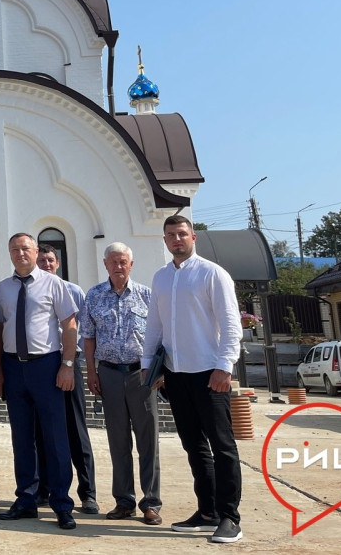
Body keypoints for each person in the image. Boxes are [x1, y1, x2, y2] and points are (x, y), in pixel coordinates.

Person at [143, 215, 243, 544]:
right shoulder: (160, 278)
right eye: (171, 235)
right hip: (175, 375)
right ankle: (206, 512)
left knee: (223, 447)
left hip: (209, 373)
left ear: (193, 237)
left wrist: (225, 365)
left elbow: (231, 323)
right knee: (194, 447)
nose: (177, 239)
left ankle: (230, 517)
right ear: (165, 239)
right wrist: (149, 366)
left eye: (182, 234)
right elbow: (154, 326)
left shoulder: (212, 274)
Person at [0, 232, 80, 531]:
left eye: (25, 248)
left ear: (34, 251)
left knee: (55, 438)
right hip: (13, 367)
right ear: (9, 253)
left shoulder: (53, 283)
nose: (20, 254)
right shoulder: (2, 288)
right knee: (21, 438)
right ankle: (26, 500)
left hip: (46, 366)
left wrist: (67, 365)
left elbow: (69, 325)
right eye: (14, 249)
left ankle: (61, 504)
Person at [81, 241, 162, 525]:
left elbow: (159, 335)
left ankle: (151, 502)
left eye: (123, 261)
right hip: (109, 373)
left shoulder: (146, 296)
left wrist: (158, 372)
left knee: (147, 439)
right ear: (105, 264)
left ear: (131, 264)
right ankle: (124, 500)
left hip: (141, 375)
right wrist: (91, 372)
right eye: (113, 261)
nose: (118, 266)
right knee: (118, 440)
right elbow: (87, 337)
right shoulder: (94, 296)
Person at [32, 245, 98, 514]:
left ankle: (88, 493)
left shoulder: (73, 291)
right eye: (42, 260)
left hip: (69, 364)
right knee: (42, 430)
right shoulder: (31, 290)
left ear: (57, 263)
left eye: (50, 260)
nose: (46, 264)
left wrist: (71, 363)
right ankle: (44, 488)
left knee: (75, 428)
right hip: (42, 367)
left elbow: (82, 330)